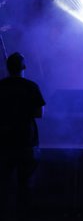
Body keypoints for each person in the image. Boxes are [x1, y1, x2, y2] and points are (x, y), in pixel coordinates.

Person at [0, 52, 46, 221]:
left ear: (7, 68)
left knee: (4, 185)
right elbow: (40, 113)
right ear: (24, 67)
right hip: (26, 141)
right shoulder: (31, 86)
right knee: (25, 185)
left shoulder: (1, 86)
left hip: (4, 142)